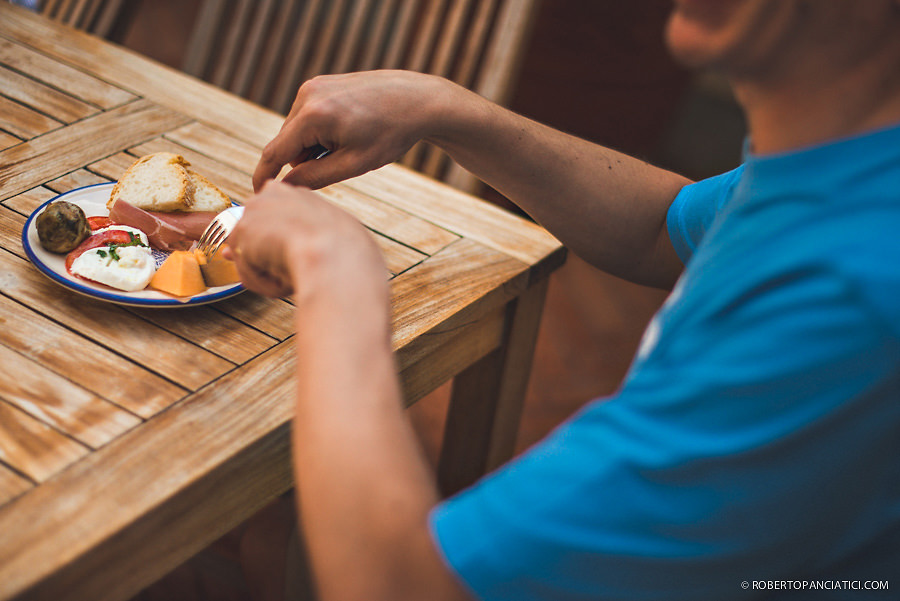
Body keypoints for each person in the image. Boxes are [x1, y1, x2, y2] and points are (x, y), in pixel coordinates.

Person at [229, 1, 900, 599]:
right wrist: (441, 106)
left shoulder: (846, 298)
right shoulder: (846, 162)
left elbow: (397, 581)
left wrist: (333, 267)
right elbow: (659, 227)